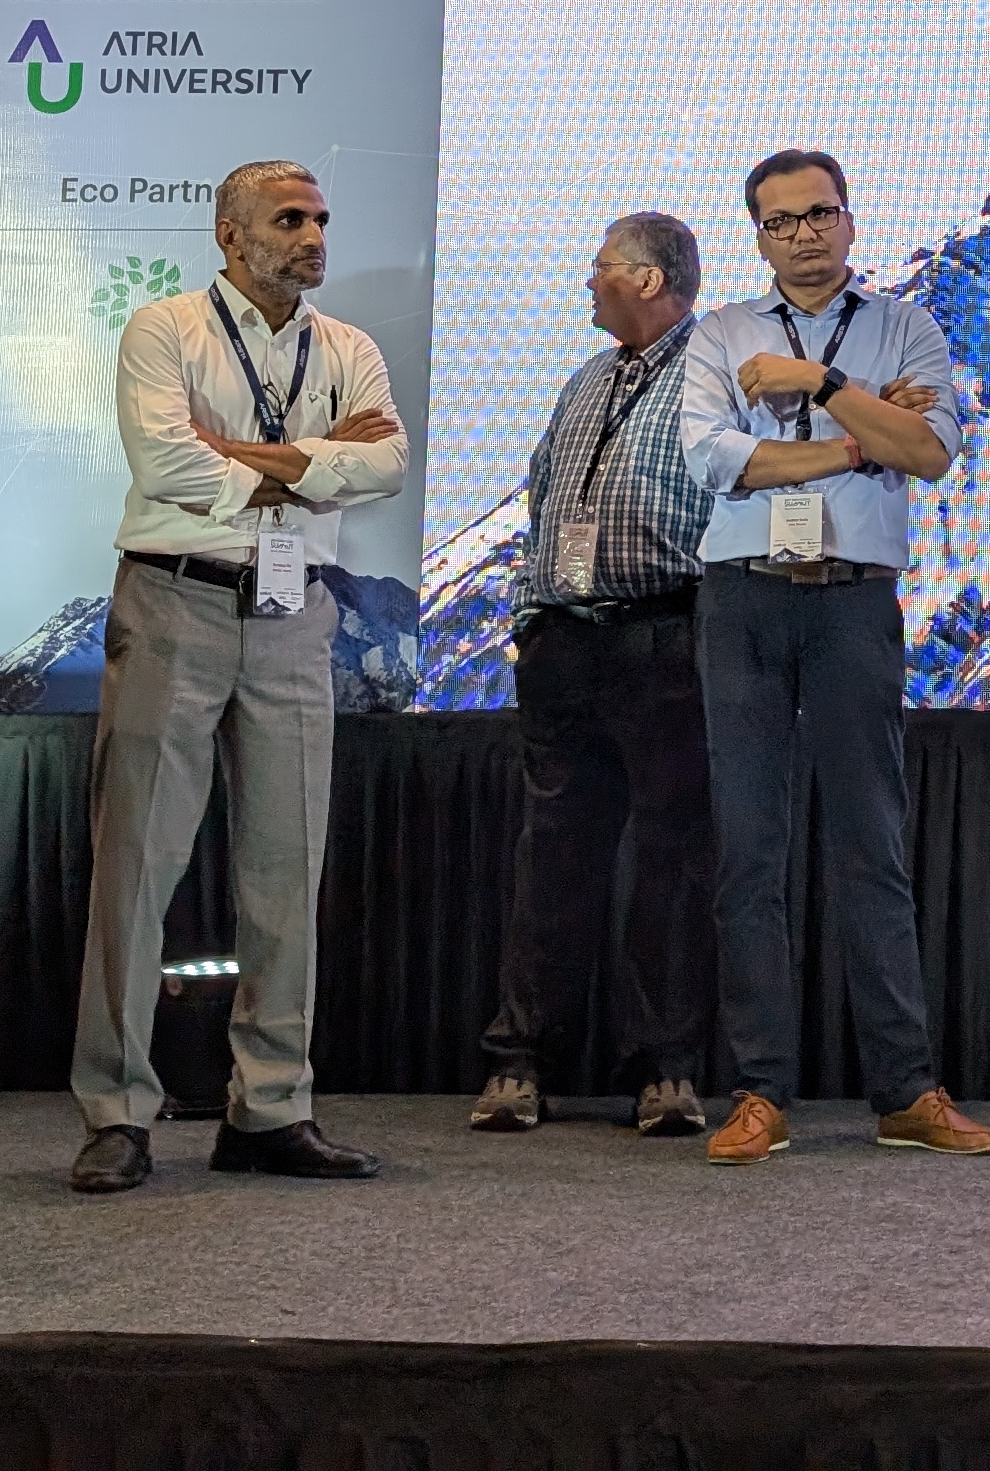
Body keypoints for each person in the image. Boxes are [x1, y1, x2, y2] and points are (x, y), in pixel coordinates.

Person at [67, 160, 405, 1193]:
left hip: (296, 616)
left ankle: (270, 1109)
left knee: (286, 868)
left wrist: (243, 456)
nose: (313, 236)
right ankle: (118, 1112)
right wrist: (313, 461)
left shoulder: (348, 346)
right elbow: (167, 464)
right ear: (230, 234)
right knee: (138, 863)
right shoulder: (164, 329)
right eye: (289, 219)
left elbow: (387, 464)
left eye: (321, 219)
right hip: (176, 599)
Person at [675, 150, 990, 1166]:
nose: (804, 235)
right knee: (750, 851)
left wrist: (820, 385)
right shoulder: (722, 333)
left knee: (873, 846)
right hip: (743, 600)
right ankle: (760, 1091)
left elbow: (932, 452)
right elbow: (715, 460)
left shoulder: (907, 325)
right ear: (758, 237)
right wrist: (864, 434)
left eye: (819, 214)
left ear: (850, 221)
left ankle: (906, 1090)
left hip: (855, 601)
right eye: (781, 221)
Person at [470, 212, 721, 1139]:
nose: (589, 280)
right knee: (551, 856)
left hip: (666, 639)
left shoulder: (719, 375)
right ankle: (520, 1060)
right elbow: (544, 499)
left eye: (602, 266)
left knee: (670, 860)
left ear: (649, 280)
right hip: (564, 644)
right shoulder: (586, 378)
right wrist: (532, 619)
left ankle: (664, 1069)